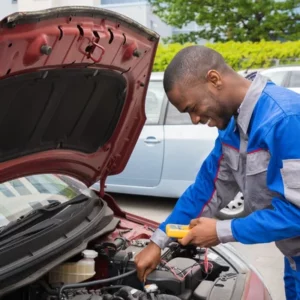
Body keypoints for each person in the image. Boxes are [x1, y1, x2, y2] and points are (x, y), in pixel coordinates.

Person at [134, 45, 300, 300]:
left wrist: (222, 230)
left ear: (214, 79)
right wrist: (158, 242)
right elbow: (204, 192)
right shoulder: (231, 132)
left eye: (192, 107)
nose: (195, 120)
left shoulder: (285, 119)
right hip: (294, 261)